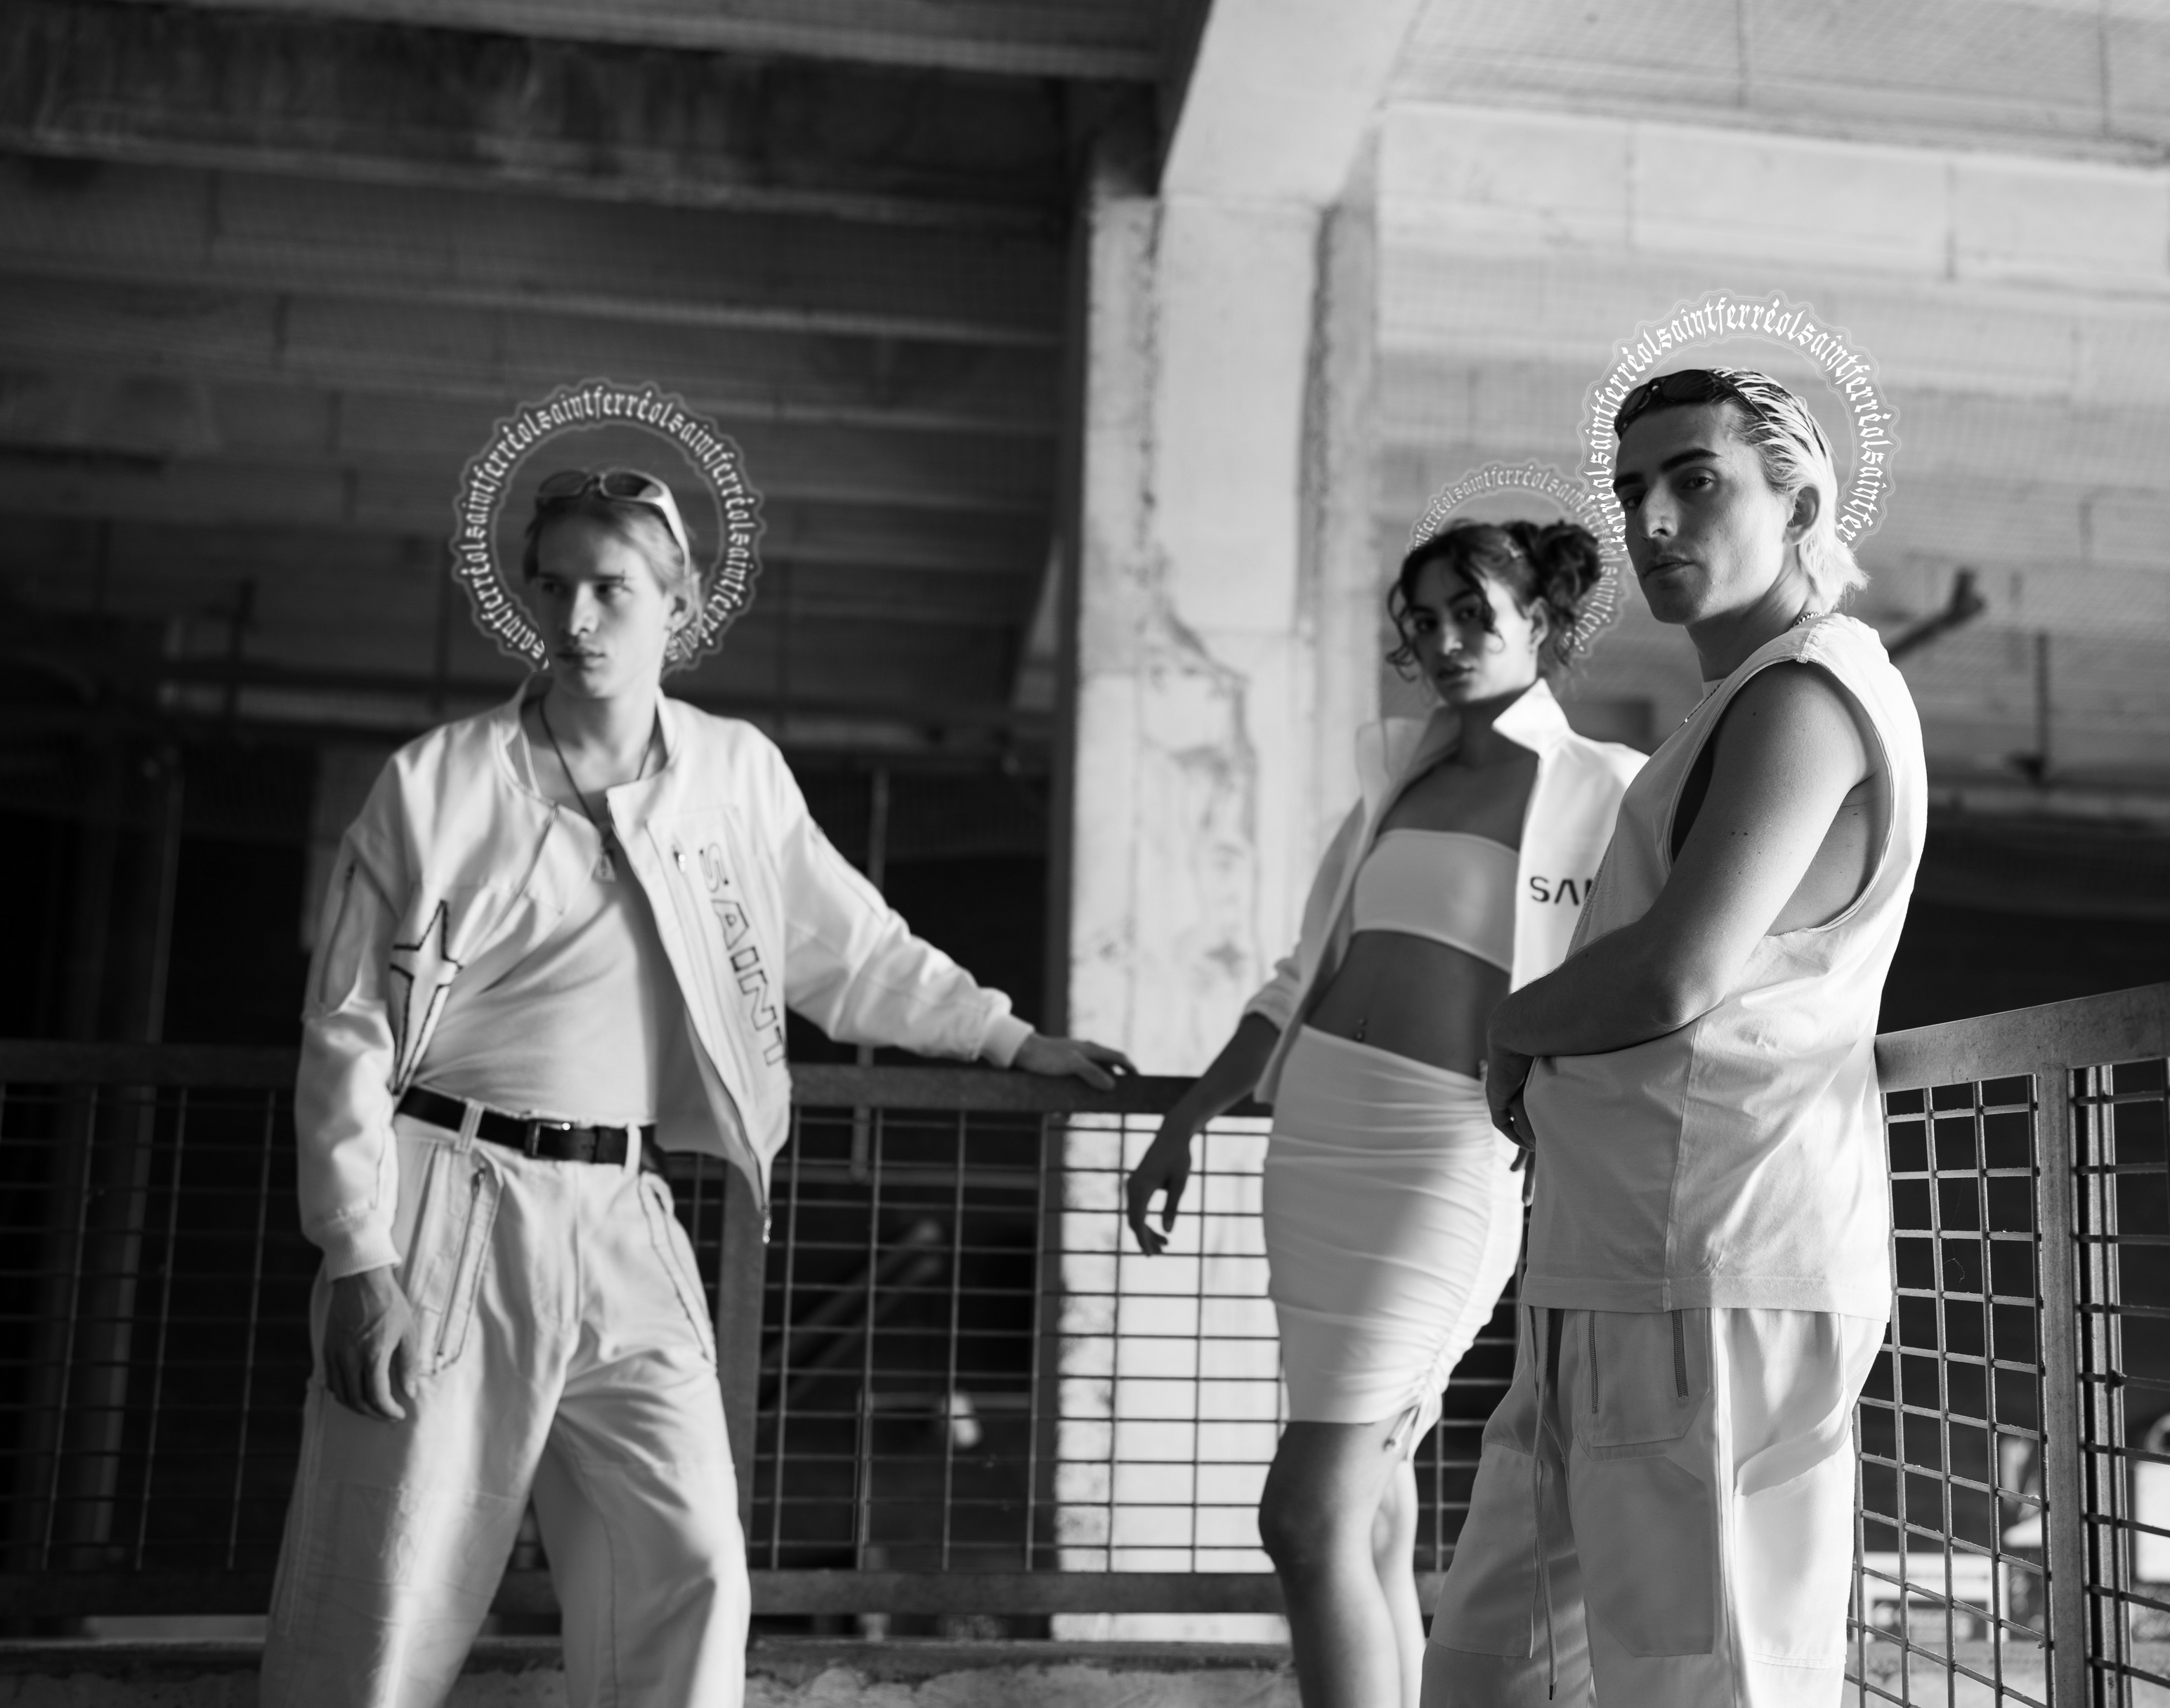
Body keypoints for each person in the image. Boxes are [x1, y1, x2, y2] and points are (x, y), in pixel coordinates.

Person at [261, 468, 1129, 1708]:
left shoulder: (734, 773)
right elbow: (346, 1025)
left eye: (611, 589)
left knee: (691, 1566)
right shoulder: (437, 783)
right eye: (552, 586)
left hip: (628, 1203)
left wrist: (1005, 1037)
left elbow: (848, 948)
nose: (576, 618)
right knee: (390, 1583)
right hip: (447, 1202)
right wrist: (359, 1257)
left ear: (682, 603)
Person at [1423, 371, 1928, 1708]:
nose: (1651, 518)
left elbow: (1678, 973)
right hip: (1619, 1259)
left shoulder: (1807, 690)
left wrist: (1516, 1025)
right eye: (1632, 488)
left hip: (1718, 1263)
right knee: (1485, 1676)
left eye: (1695, 481)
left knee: (1704, 1686)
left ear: (1800, 505)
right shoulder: (1732, 702)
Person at [1126, 517, 1643, 1708]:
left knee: (1304, 1516)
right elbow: (1296, 979)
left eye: (1474, 615)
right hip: (1319, 1139)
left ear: (1539, 622)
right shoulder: (1393, 785)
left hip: (1447, 1153)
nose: (1447, 641)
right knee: (1370, 1509)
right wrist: (1185, 1118)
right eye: (1425, 621)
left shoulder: (1606, 788)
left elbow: (1648, 976)